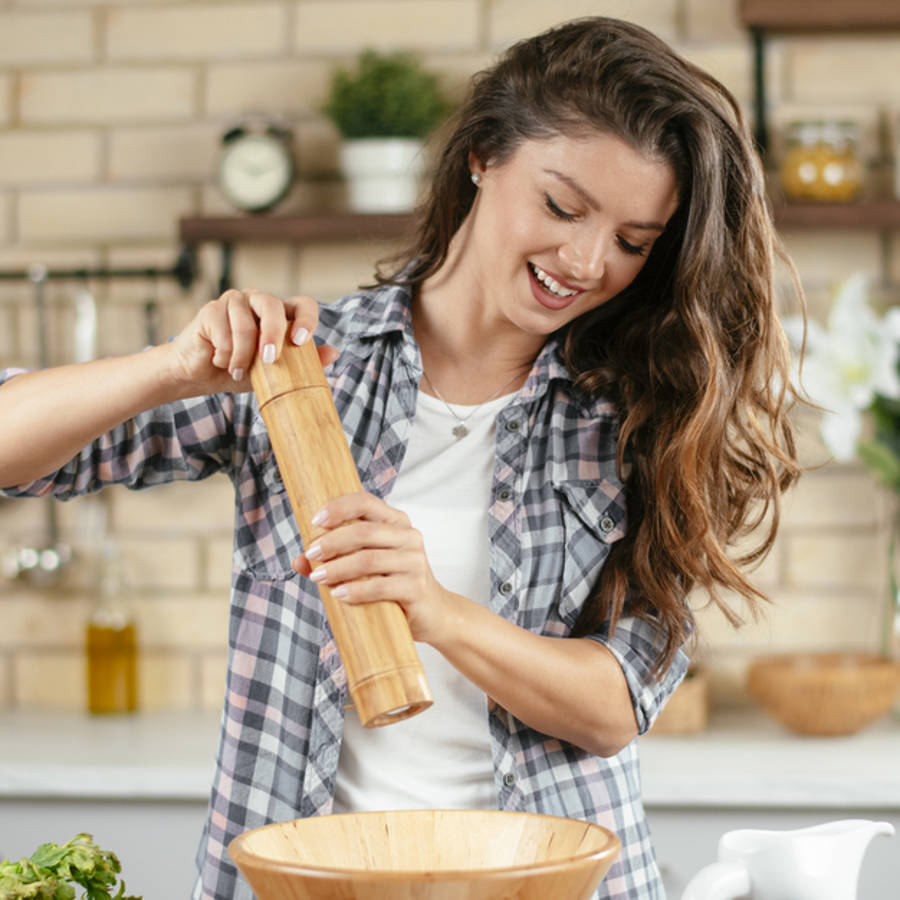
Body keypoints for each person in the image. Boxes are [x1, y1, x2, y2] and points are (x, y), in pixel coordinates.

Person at [0, 16, 803, 900]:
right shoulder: (298, 367)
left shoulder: (643, 413)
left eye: (632, 242)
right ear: (483, 157)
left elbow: (615, 708)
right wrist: (172, 367)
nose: (583, 260)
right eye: (563, 207)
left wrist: (436, 610)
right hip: (308, 880)